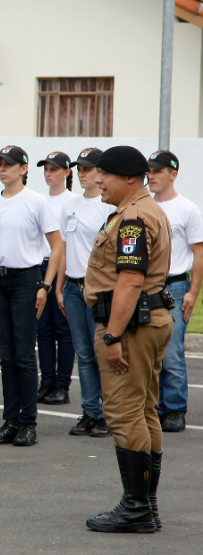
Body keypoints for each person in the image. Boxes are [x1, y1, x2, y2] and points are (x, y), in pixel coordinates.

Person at [84, 146, 172, 534]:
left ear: (129, 179)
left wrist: (113, 335)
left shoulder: (134, 218)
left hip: (132, 325)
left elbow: (131, 280)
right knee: (144, 410)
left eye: (105, 174)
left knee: (124, 412)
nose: (98, 180)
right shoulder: (143, 210)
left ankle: (136, 508)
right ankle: (146, 504)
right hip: (148, 320)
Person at [0, 145, 62, 447]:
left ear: (24, 169)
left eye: (9, 164)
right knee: (7, 357)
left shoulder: (36, 202)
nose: (3, 169)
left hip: (25, 281)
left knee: (24, 355)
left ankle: (28, 422)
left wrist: (45, 286)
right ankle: (10, 420)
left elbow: (57, 245)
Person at [57, 148, 114, 438]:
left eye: (88, 169)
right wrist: (59, 287)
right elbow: (64, 247)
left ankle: (107, 414)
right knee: (83, 353)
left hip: (98, 289)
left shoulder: (107, 207)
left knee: (101, 351)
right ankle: (90, 411)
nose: (82, 174)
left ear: (101, 172)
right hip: (72, 286)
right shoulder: (70, 205)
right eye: (79, 169)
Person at [148, 150, 202, 433]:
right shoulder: (145, 207)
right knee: (149, 351)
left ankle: (175, 409)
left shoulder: (187, 209)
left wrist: (193, 291)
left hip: (175, 286)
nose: (151, 176)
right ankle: (154, 407)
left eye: (157, 171)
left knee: (171, 352)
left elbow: (198, 253)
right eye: (149, 171)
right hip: (147, 286)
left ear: (173, 174)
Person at [35, 152, 77, 405]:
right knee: (43, 329)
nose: (48, 174)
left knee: (63, 329)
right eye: (46, 169)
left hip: (64, 268)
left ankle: (62, 384)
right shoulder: (39, 201)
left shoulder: (73, 202)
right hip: (41, 267)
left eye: (54, 169)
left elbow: (66, 243)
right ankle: (47, 381)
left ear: (67, 172)